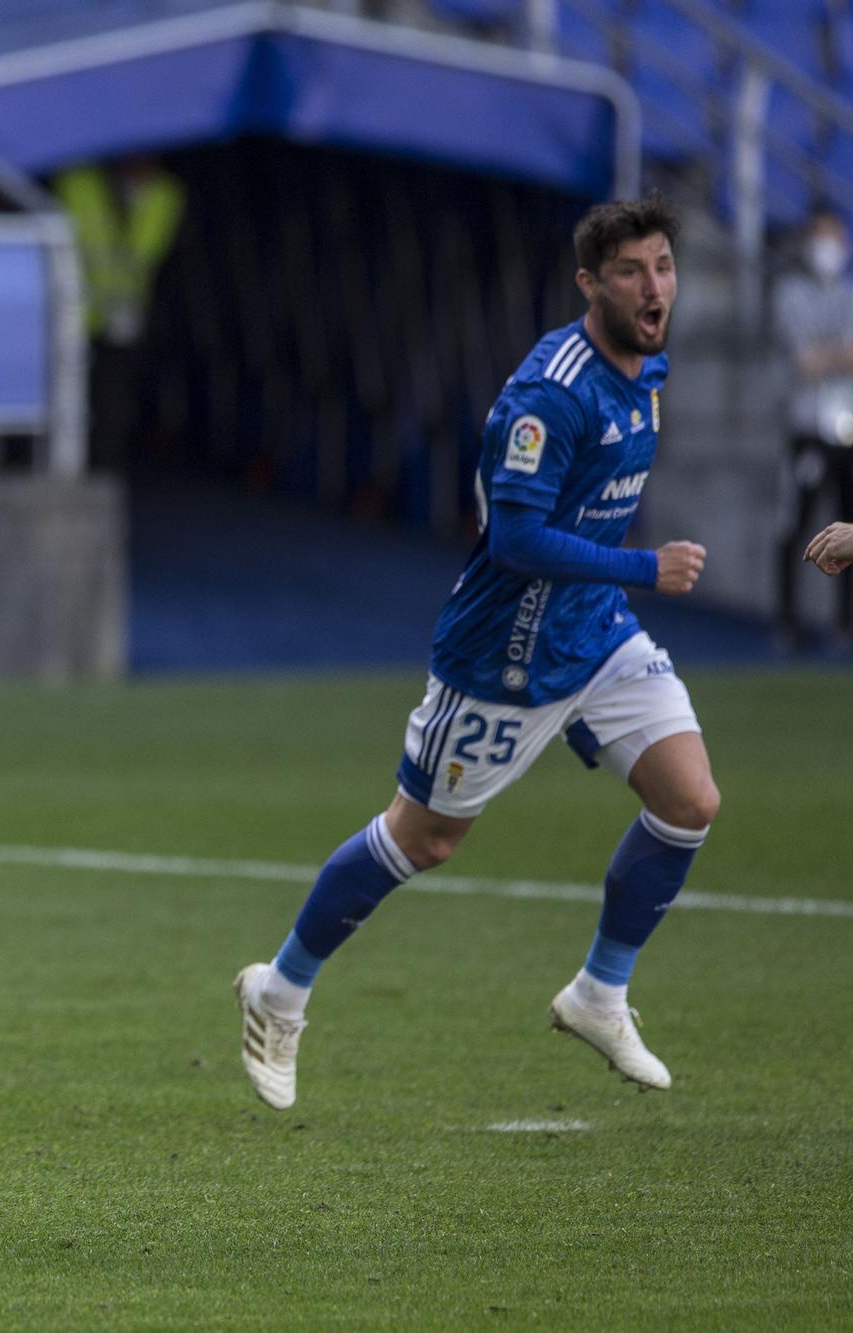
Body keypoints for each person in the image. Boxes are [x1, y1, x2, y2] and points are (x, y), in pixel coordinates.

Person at [232, 196, 720, 1110]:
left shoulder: (648, 366)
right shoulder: (551, 393)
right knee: (427, 837)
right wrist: (643, 565)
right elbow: (515, 540)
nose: (654, 288)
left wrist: (617, 584)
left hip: (596, 630)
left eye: (663, 266)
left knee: (689, 798)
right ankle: (280, 991)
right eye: (631, 272)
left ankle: (598, 994)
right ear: (589, 284)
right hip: (507, 651)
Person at [55, 156, 183, 472]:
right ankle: (64, 466)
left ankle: (104, 468)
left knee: (112, 400)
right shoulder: (78, 182)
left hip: (124, 315)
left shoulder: (165, 193)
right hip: (71, 313)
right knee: (64, 396)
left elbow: (151, 253)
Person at [773, 207, 853, 648]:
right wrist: (837, 355)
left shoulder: (849, 293)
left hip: (848, 428)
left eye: (836, 237)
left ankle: (845, 621)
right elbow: (802, 360)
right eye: (822, 236)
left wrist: (826, 356)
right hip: (806, 428)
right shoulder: (791, 294)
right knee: (796, 524)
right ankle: (786, 621)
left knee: (848, 527)